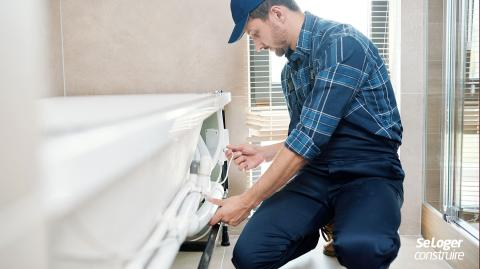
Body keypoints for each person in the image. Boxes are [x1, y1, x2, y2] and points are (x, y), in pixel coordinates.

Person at [209, 0, 405, 268]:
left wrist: (246, 201)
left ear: (277, 14)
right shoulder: (291, 72)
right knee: (249, 256)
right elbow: (306, 135)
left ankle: (349, 220)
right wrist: (264, 153)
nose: (257, 45)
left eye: (254, 33)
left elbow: (307, 142)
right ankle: (322, 218)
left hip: (368, 171)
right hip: (317, 173)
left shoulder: (342, 44)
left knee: (362, 248)